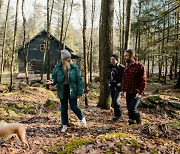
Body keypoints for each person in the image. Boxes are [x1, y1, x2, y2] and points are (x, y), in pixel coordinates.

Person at [47, 49, 86, 132]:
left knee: (74, 107)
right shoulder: (57, 67)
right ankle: (64, 125)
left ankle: (82, 118)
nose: (69, 59)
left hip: (72, 89)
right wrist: (52, 81)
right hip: (62, 89)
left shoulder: (75, 67)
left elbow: (79, 80)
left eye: (69, 58)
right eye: (67, 58)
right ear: (63, 59)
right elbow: (54, 77)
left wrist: (80, 92)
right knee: (63, 108)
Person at [121, 49, 147, 125]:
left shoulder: (140, 66)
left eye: (126, 56)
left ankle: (138, 118)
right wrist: (122, 90)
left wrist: (139, 93)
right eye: (124, 56)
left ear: (132, 56)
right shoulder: (126, 66)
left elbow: (143, 81)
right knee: (129, 108)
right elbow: (124, 79)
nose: (125, 57)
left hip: (136, 92)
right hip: (128, 91)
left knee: (132, 108)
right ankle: (131, 122)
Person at [108, 54, 124, 122]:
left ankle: (119, 115)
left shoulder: (121, 67)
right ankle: (116, 115)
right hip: (112, 85)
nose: (112, 61)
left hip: (119, 86)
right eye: (111, 59)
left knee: (116, 100)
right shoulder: (110, 67)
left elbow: (125, 77)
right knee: (113, 101)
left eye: (113, 59)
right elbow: (108, 75)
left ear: (117, 60)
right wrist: (108, 81)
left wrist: (121, 83)